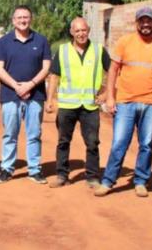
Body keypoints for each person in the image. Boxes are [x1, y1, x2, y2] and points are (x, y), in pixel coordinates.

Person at [98, 6, 152, 198]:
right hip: (125, 101)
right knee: (119, 142)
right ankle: (108, 181)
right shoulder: (125, 42)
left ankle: (141, 181)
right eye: (142, 20)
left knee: (146, 144)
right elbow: (113, 70)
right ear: (137, 23)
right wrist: (110, 96)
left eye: (149, 20)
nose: (146, 24)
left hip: (151, 103)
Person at [45, 17, 110, 189]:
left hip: (90, 106)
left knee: (92, 143)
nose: (81, 34)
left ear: (88, 31)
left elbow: (112, 71)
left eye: (84, 30)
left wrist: (106, 92)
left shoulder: (98, 50)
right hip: (67, 106)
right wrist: (50, 99)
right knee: (63, 141)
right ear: (72, 32)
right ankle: (61, 175)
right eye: (77, 31)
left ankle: (93, 176)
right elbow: (54, 76)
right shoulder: (63, 51)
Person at [0, 5, 52, 184]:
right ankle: (7, 169)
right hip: (10, 96)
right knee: (10, 134)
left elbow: (46, 67)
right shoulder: (3, 42)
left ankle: (34, 170)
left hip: (36, 96)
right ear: (13, 20)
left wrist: (31, 85)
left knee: (34, 134)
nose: (23, 20)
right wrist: (16, 86)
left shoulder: (41, 41)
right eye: (19, 17)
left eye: (26, 17)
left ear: (30, 19)